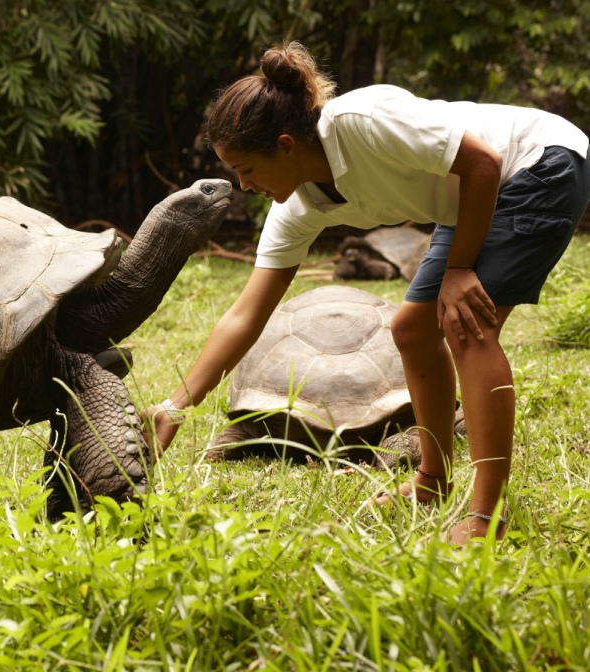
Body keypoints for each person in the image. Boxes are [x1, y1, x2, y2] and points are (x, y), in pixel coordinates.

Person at [144, 41, 590, 544]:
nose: (244, 186)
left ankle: (487, 515)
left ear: (287, 146)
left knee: (465, 324)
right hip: (465, 195)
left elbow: (483, 161)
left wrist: (460, 269)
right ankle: (432, 481)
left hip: (538, 162)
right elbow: (245, 315)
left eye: (246, 169)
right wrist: (175, 406)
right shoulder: (297, 209)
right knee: (412, 331)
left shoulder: (361, 121)